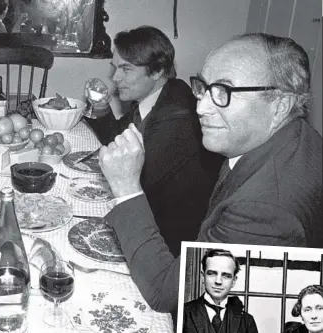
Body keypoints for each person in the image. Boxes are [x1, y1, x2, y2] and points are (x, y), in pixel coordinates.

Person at [99, 32, 323, 314]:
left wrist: (126, 188)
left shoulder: (264, 210)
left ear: (280, 105)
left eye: (224, 92)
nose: (201, 107)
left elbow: (165, 293)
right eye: (203, 88)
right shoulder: (294, 137)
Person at [84, 26, 223, 256]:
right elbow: (117, 138)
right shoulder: (154, 98)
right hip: (153, 216)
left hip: (171, 243)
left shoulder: (178, 115)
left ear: (157, 70)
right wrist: (100, 107)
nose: (115, 78)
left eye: (125, 69)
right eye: (115, 68)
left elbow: (133, 180)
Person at [183, 249, 258, 333]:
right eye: (212, 273)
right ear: (203, 276)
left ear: (233, 281)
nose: (218, 281)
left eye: (226, 276)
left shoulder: (247, 321)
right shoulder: (183, 313)